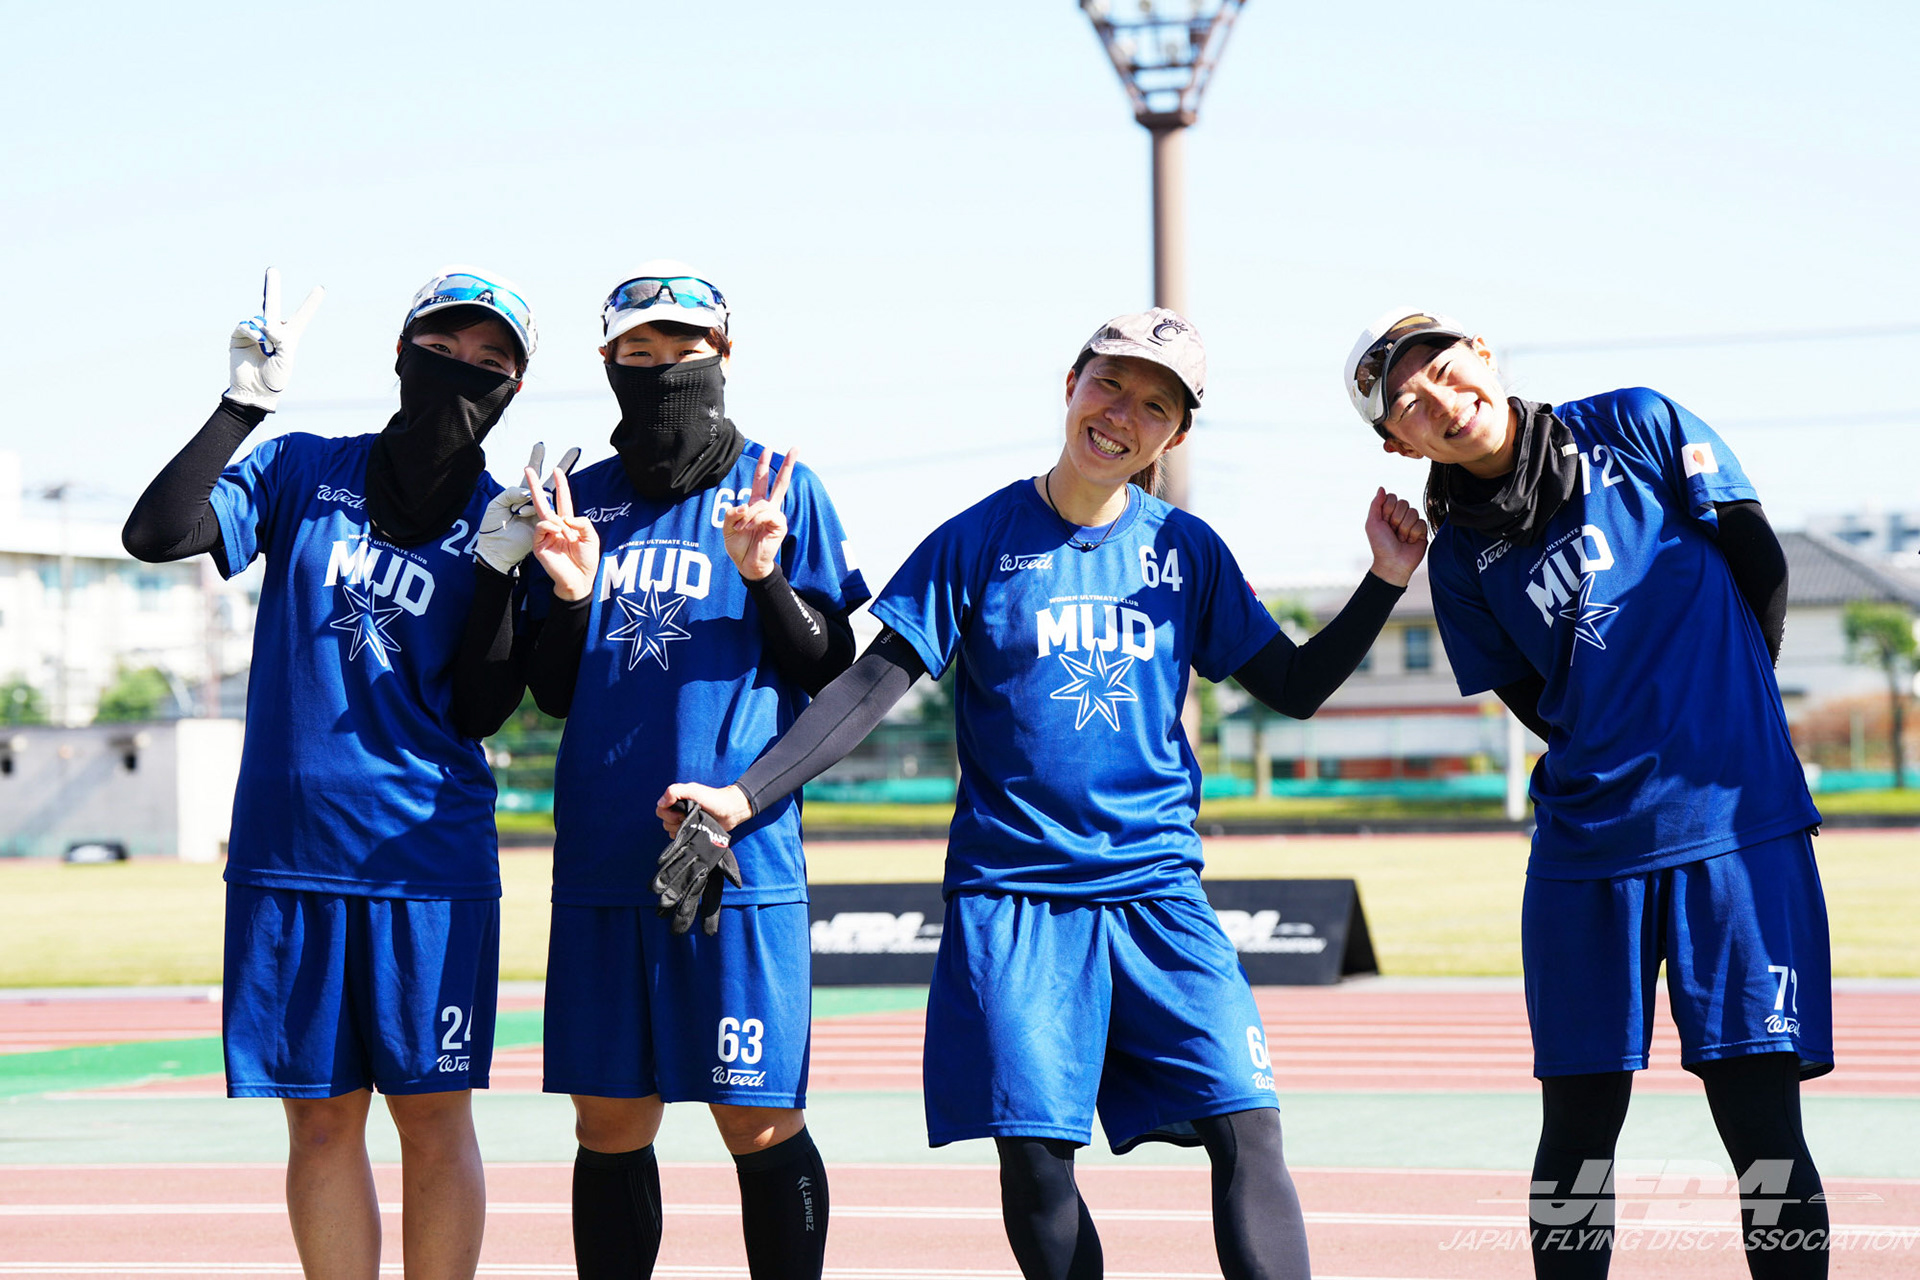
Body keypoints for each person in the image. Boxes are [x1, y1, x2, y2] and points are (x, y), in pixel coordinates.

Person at [656, 309, 1428, 1280]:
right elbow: (868, 687)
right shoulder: (979, 539)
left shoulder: (1187, 551)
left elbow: (1295, 684)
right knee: (1036, 1160)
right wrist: (743, 794)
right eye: (1111, 384)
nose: (1124, 414)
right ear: (1071, 384)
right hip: (1015, 899)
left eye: (1156, 406)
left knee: (1248, 1123)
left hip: (1159, 894)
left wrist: (1384, 581)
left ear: (1176, 435)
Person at [1345, 308, 1831, 1279]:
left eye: (1444, 366)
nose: (1440, 398)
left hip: (1734, 827)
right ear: (1399, 445)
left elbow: (1758, 559)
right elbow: (1534, 698)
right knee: (1578, 1129)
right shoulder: (1458, 558)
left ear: (1483, 354)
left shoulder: (1638, 422)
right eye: (1408, 403)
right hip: (1585, 852)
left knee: (1762, 1124)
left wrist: (1727, 716)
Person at [122, 265, 542, 1278]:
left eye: (490, 362)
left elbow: (483, 709)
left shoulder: (502, 516)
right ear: (401, 354)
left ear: (515, 390)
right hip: (290, 852)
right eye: (442, 347)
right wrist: (241, 407)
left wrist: (499, 575)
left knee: (433, 1118)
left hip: (425, 859)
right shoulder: (303, 467)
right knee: (318, 1121)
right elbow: (156, 532)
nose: (463, 369)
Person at [452, 261, 868, 1280]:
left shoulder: (779, 485)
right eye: (638, 352)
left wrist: (764, 576)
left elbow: (830, 667)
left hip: (738, 858)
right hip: (604, 856)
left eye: (683, 348)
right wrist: (572, 594)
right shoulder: (581, 500)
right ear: (607, 362)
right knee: (609, 1120)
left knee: (756, 1119)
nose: (662, 367)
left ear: (723, 355)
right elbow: (555, 691)